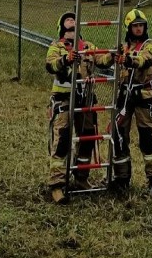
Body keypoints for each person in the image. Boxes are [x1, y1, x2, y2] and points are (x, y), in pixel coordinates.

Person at [45, 11, 113, 203]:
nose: (71, 20)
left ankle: (81, 178)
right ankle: (57, 185)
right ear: (61, 27)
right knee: (62, 141)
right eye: (67, 19)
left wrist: (114, 54)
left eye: (74, 19)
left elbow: (102, 60)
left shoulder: (88, 47)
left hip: (86, 100)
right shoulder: (56, 47)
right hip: (64, 100)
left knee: (88, 139)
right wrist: (66, 59)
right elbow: (50, 65)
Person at [111, 8, 152, 193]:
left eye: (141, 25)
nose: (139, 29)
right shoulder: (123, 46)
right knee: (119, 136)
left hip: (143, 96)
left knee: (147, 138)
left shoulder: (149, 44)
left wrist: (129, 60)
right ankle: (122, 179)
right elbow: (108, 59)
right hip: (124, 96)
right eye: (135, 26)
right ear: (129, 27)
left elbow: (145, 60)